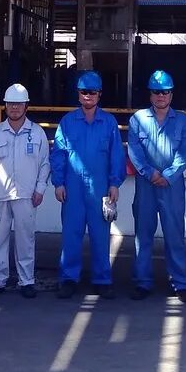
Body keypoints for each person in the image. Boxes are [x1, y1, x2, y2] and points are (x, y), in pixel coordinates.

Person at [51, 70, 127, 299]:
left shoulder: (109, 123)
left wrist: (115, 183)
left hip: (100, 188)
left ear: (99, 94)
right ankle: (68, 279)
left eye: (92, 92)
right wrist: (58, 182)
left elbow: (116, 155)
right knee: (71, 235)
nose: (88, 96)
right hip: (73, 189)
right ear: (78, 94)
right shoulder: (67, 122)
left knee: (101, 236)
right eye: (84, 91)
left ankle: (101, 279)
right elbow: (58, 153)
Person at [0, 83, 50, 299]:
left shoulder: (37, 133)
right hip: (0, 195)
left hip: (26, 196)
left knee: (25, 241)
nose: (14, 108)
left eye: (19, 104)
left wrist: (40, 189)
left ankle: (26, 281)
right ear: (5, 105)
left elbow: (44, 164)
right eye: (11, 103)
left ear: (26, 106)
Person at [128, 70, 186, 303]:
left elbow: (185, 153)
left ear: (171, 94)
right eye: (156, 92)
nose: (161, 96)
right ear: (150, 94)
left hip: (172, 187)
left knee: (175, 236)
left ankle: (179, 283)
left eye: (165, 92)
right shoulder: (137, 120)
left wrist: (168, 175)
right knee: (143, 235)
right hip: (146, 186)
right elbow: (134, 151)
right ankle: (142, 282)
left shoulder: (183, 121)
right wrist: (150, 173)